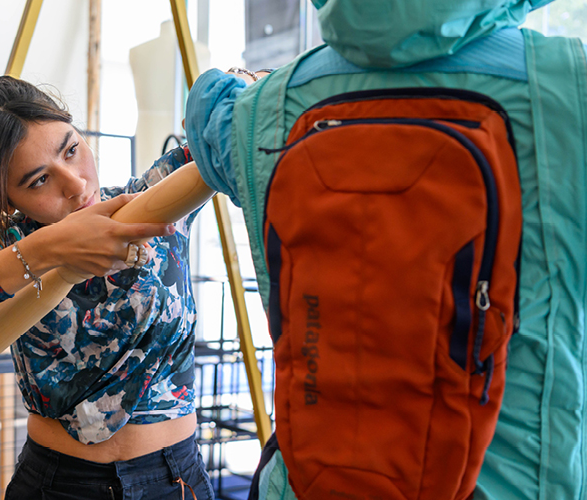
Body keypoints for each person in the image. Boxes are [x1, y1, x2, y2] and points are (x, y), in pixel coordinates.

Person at [184, 1, 586, 499]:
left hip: (312, 483)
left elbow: (206, 108)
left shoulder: (265, 108)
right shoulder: (569, 87)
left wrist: (246, 82)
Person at [0, 73, 215, 500]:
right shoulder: (5, 245)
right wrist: (42, 251)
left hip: (176, 477)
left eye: (72, 150)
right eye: (39, 180)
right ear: (3, 198)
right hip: (59, 484)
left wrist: (240, 86)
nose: (77, 184)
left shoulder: (150, 203)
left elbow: (242, 121)